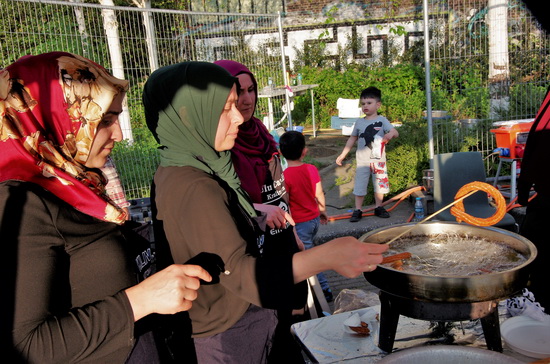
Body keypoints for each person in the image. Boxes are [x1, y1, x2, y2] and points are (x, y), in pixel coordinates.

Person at [143, 61, 389, 363]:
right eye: (225, 108)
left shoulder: (200, 165)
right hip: (228, 328)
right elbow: (242, 274)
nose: (238, 116)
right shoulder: (193, 185)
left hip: (242, 314)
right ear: (188, 115)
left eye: (243, 98)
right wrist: (329, 256)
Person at [0, 52, 212, 363]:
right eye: (105, 121)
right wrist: (139, 300)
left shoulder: (78, 184)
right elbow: (26, 345)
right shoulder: (21, 203)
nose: (120, 135)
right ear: (55, 116)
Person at [214, 59, 307, 361]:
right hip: (256, 250)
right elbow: (221, 199)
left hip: (284, 239)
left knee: (297, 314)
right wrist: (257, 209)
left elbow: (278, 192)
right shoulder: (221, 143)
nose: (246, 99)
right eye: (237, 91)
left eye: (251, 90)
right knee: (272, 326)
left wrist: (293, 232)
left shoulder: (260, 132)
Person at [279, 130, 333, 302]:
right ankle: (315, 287)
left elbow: (284, 203)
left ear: (280, 153)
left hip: (300, 224)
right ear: (304, 151)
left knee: (308, 258)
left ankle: (324, 290)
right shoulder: (311, 169)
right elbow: (319, 194)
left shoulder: (285, 176)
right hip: (314, 220)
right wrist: (322, 211)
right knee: (308, 252)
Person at [336, 86, 399, 222]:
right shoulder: (359, 122)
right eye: (363, 103)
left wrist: (389, 135)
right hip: (362, 162)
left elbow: (395, 132)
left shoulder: (382, 120)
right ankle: (358, 210)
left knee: (380, 185)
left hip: (379, 160)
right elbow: (352, 138)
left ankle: (379, 207)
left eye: (369, 103)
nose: (365, 106)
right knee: (360, 186)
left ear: (378, 104)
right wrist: (343, 154)